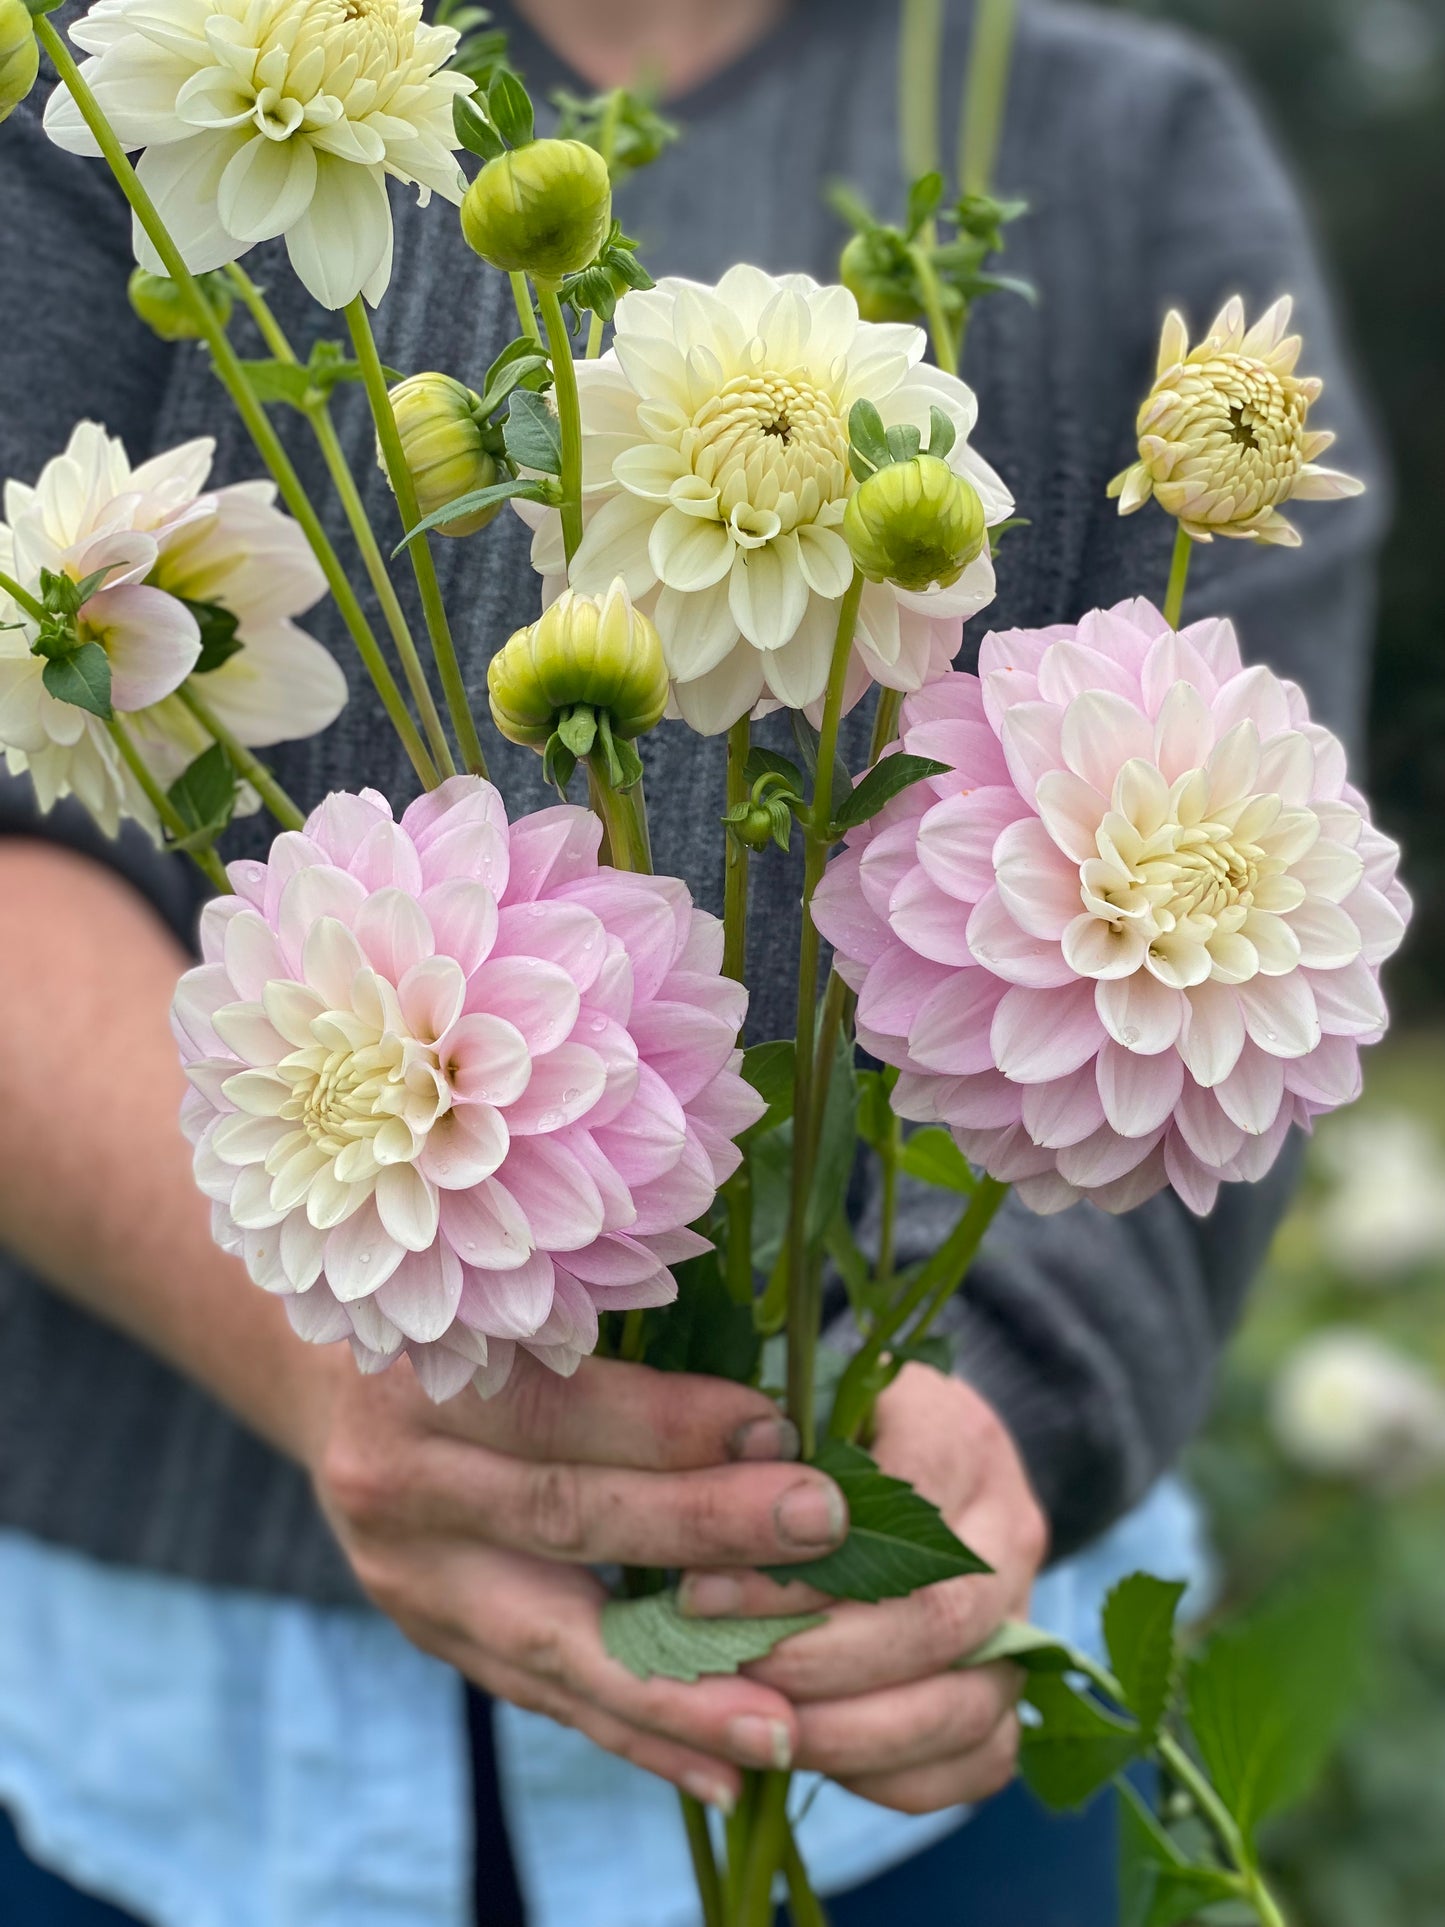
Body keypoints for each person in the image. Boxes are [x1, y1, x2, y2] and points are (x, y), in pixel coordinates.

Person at [0, 0, 1384, 1922]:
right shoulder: (96, 82)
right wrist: (320, 1363)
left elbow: (1280, 894)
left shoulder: (1124, 136)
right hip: (187, 1755)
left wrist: (984, 1426)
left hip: (890, 1754)